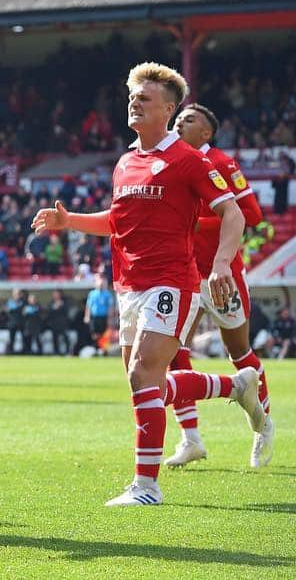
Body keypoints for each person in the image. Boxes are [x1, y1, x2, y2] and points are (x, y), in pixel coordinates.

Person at [32, 62, 264, 507]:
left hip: (172, 282)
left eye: (145, 99)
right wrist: (69, 221)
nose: (135, 104)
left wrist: (219, 265)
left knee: (143, 375)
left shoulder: (189, 161)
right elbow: (116, 222)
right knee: (148, 386)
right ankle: (235, 386)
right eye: (132, 97)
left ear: (169, 109)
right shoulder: (126, 162)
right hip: (129, 283)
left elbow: (234, 213)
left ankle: (146, 486)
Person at [164, 104, 274, 469]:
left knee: (239, 353)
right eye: (178, 118)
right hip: (185, 276)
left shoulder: (223, 164)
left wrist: (197, 224)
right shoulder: (172, 163)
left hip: (222, 276)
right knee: (174, 350)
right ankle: (190, 438)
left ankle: (263, 426)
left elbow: (253, 216)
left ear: (207, 133)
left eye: (189, 119)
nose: (180, 122)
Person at [82, 276, 114, 354]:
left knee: (104, 334)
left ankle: (103, 350)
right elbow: (89, 306)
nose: (101, 285)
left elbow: (110, 307)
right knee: (94, 334)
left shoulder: (107, 294)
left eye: (102, 284)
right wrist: (87, 316)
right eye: (99, 284)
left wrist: (110, 318)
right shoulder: (92, 294)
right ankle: (96, 348)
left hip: (104, 317)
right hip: (94, 317)